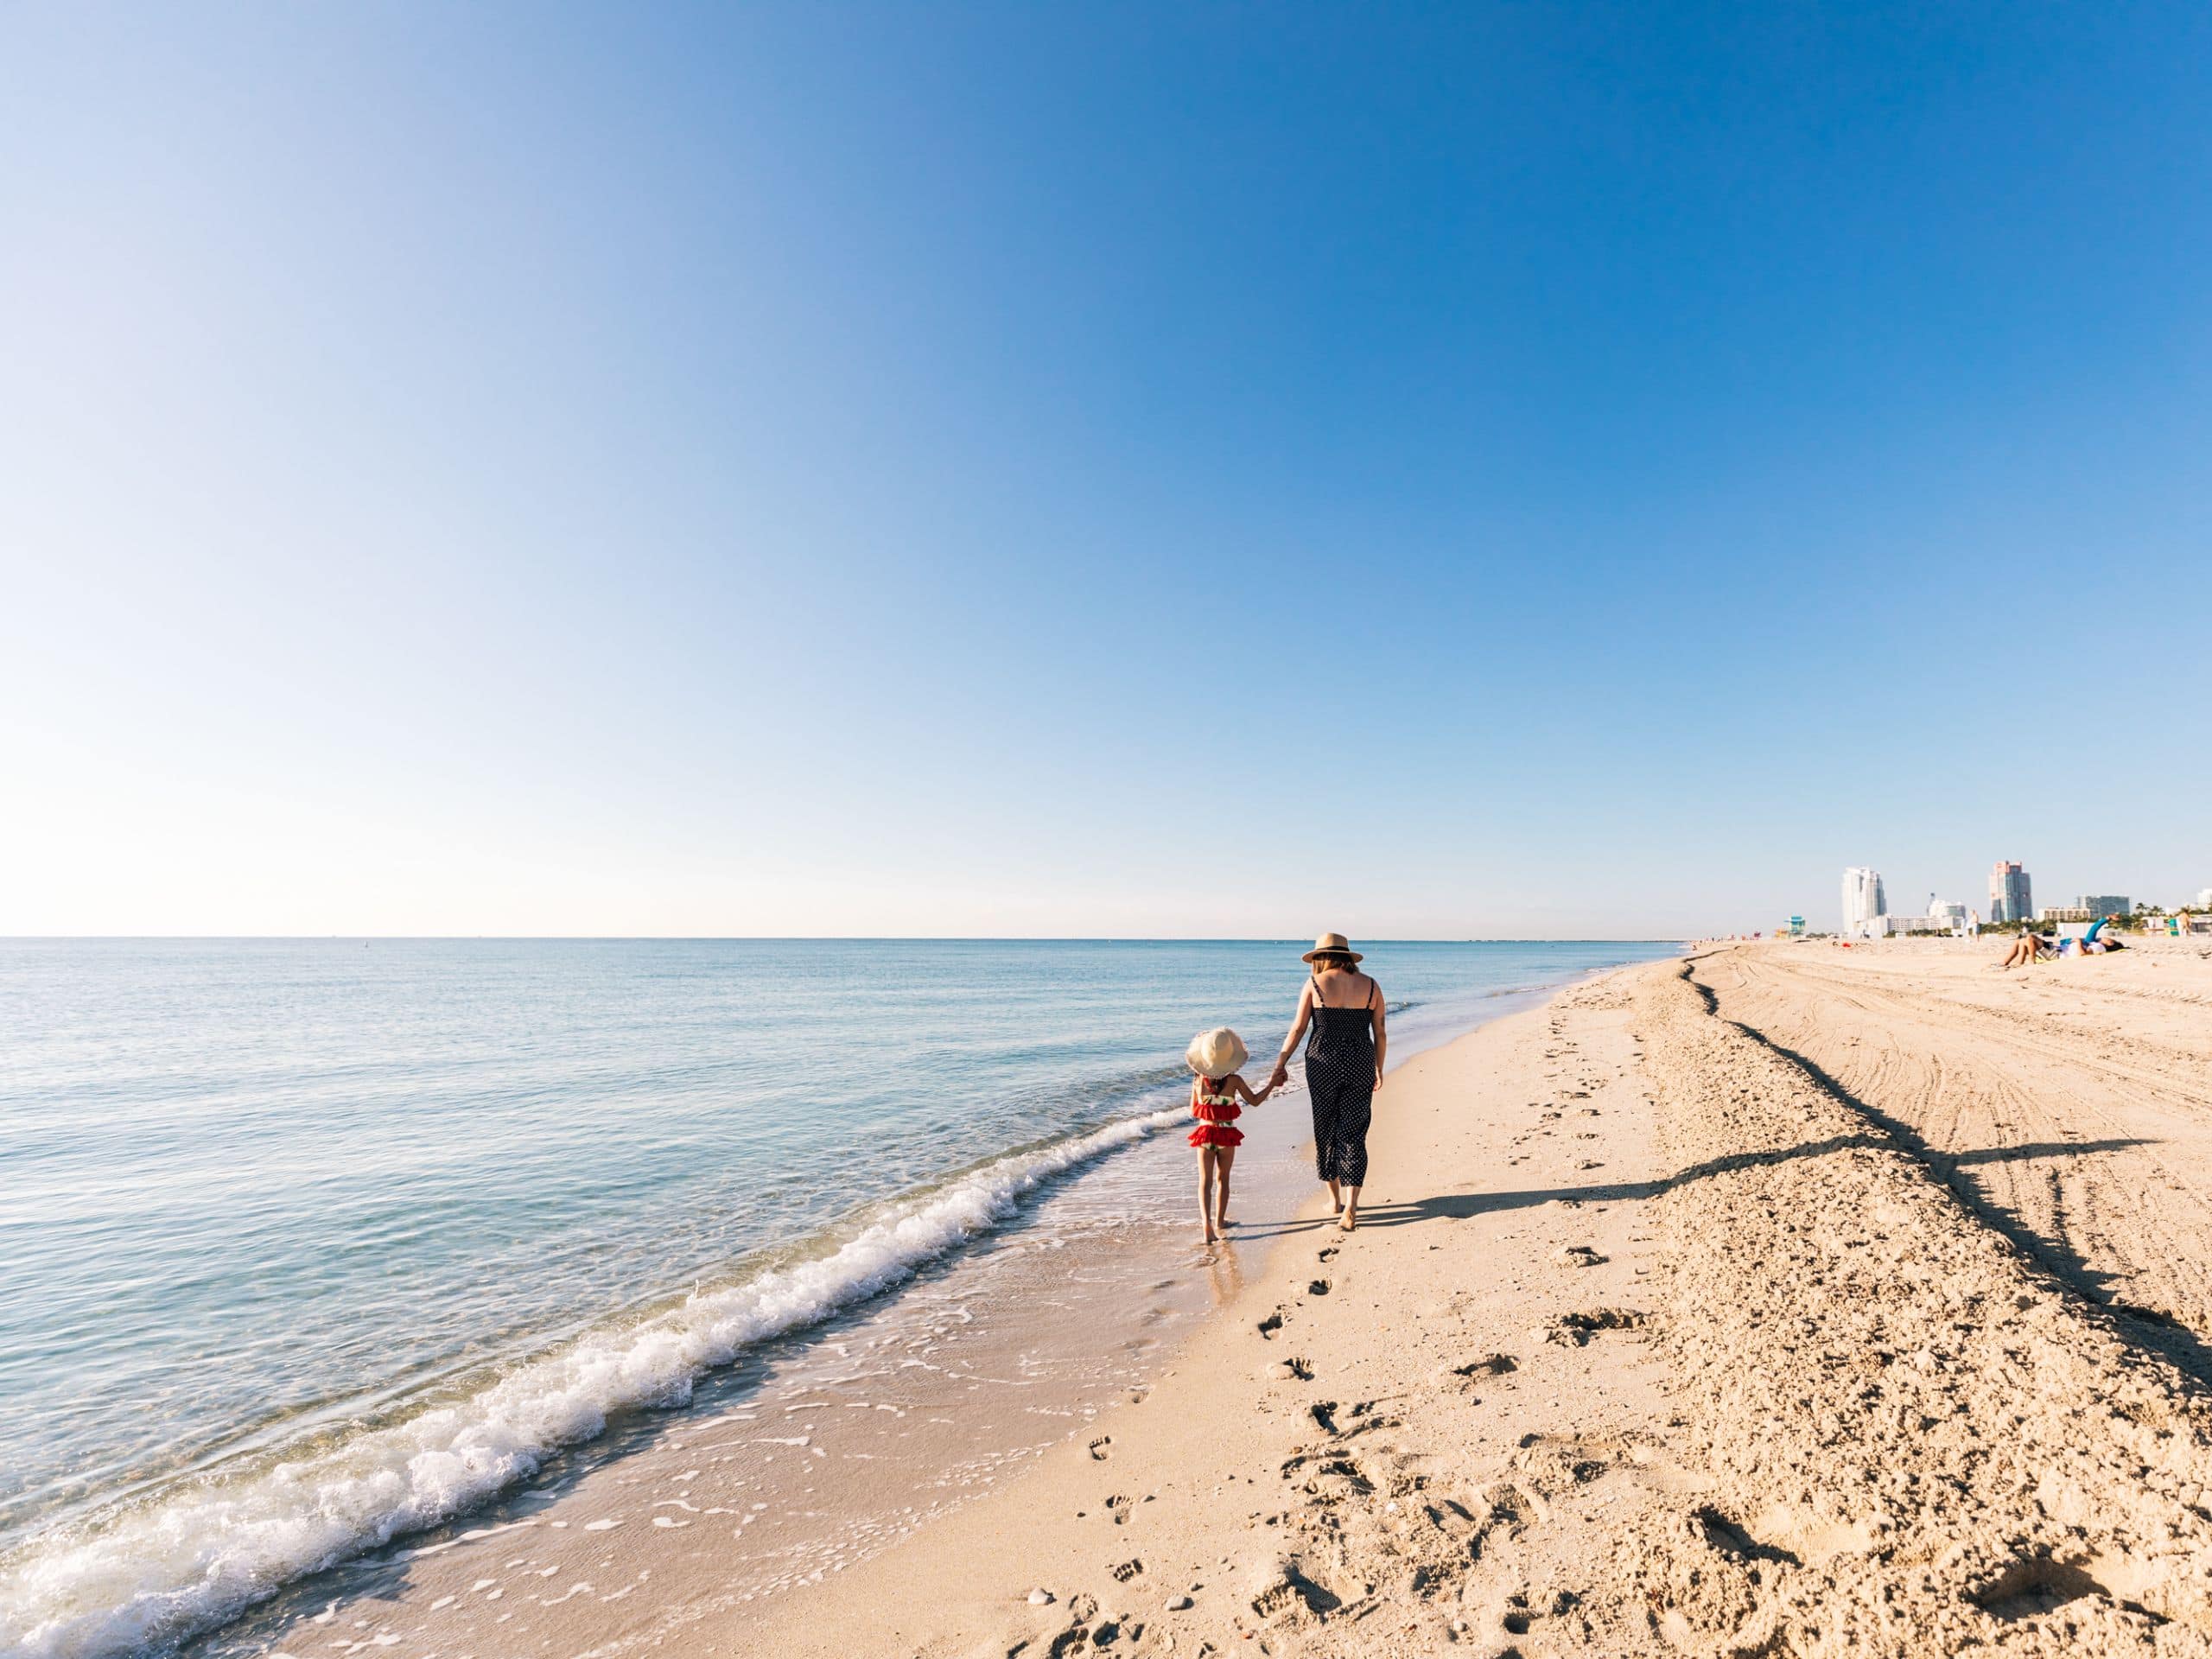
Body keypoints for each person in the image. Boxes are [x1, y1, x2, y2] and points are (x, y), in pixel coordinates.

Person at [1268, 932, 1387, 1233]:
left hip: (1323, 1063)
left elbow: (1297, 1029)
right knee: (1354, 1131)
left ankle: (1333, 1201)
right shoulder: (1371, 985)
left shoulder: (1314, 984)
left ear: (1320, 958)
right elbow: (1381, 1032)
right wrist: (1379, 1068)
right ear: (1347, 956)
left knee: (1326, 1127)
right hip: (1360, 1061)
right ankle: (1351, 1207)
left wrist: (1280, 1063)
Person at [1185, 1027, 1274, 1245]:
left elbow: (1193, 1110)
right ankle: (1221, 1221)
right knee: (1223, 1180)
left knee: (1204, 1182)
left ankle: (1207, 1225)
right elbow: (1254, 1100)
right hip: (1226, 1134)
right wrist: (1272, 1083)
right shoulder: (1234, 1081)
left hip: (1205, 1133)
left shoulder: (1198, 1081)